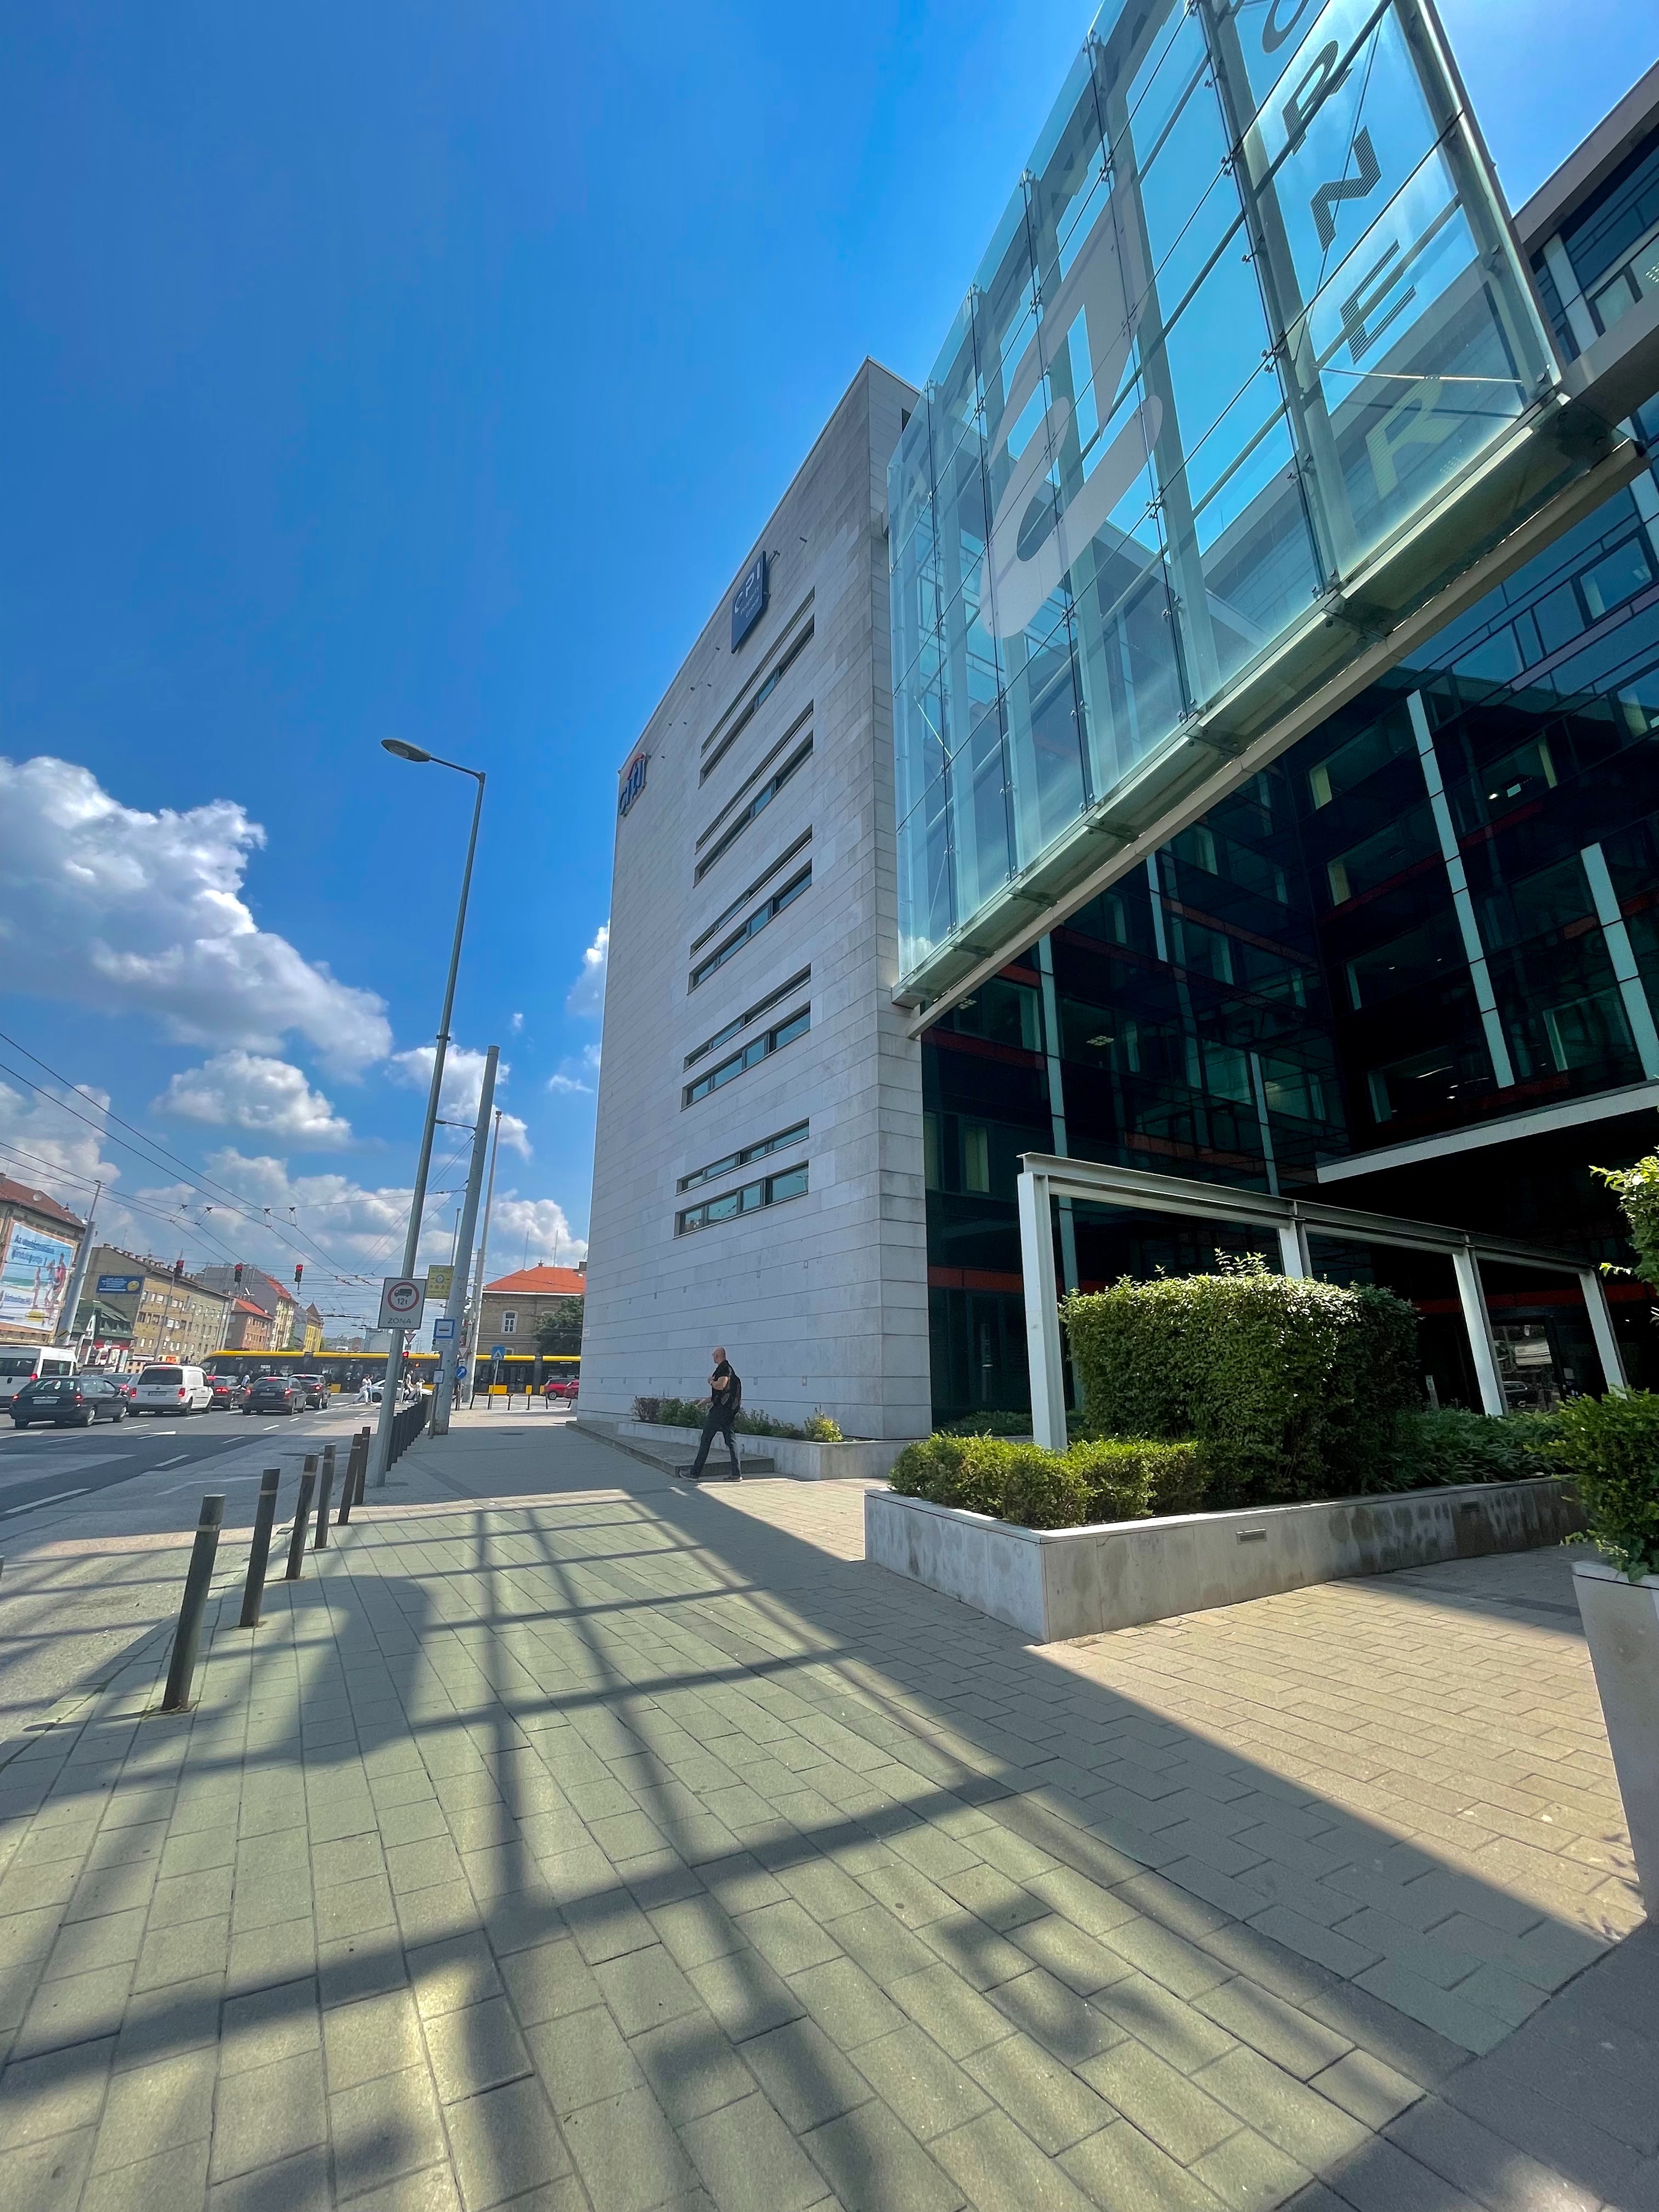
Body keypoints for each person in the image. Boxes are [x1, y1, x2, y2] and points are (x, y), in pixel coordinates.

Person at [677, 1347, 742, 1481]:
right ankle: (736, 1474)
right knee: (731, 1441)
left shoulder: (724, 1369)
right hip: (728, 1411)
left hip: (719, 1411)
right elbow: (722, 1394)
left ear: (718, 1356)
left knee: (706, 1439)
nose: (713, 1357)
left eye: (714, 1355)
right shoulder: (730, 1370)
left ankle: (695, 1473)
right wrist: (705, 1401)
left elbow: (721, 1386)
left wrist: (711, 1382)